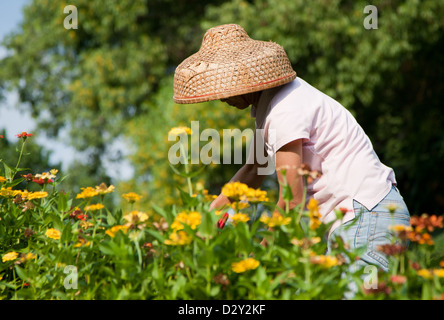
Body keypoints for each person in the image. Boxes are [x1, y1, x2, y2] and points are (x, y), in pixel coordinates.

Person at [173, 24, 410, 272]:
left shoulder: (284, 110)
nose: (221, 97)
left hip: (366, 215)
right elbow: (254, 169)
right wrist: (205, 217)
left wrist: (259, 259)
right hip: (359, 218)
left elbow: (292, 200)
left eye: (223, 87)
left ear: (244, 79)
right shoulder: (274, 104)